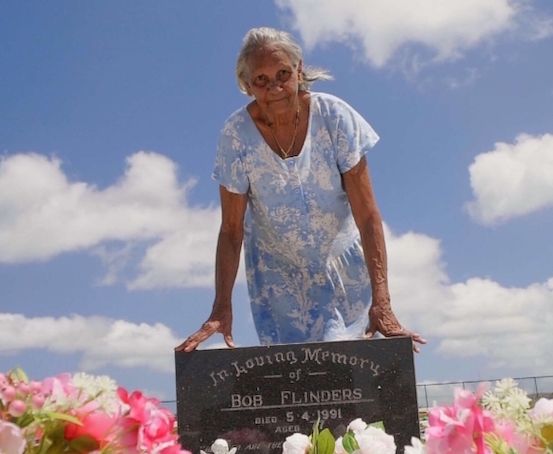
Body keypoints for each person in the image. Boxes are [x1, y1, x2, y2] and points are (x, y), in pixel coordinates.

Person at [176, 27, 425, 353]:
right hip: (278, 281)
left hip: (342, 270)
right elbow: (232, 230)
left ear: (299, 70)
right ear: (248, 86)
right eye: (261, 80)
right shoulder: (236, 136)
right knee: (296, 380)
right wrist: (221, 307)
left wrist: (383, 302)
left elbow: (367, 216)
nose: (275, 87)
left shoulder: (333, 116)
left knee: (345, 368)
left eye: (282, 73)